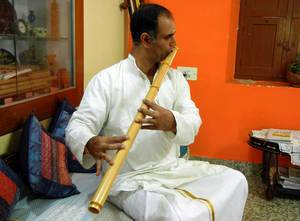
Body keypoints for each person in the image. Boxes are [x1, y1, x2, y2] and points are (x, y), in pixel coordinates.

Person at [66, 3, 248, 221]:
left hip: (172, 170)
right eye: (168, 37)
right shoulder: (107, 80)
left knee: (237, 180)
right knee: (176, 215)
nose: (175, 43)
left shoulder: (175, 79)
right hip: (129, 179)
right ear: (146, 40)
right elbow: (78, 125)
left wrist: (171, 121)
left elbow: (194, 121)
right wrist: (89, 142)